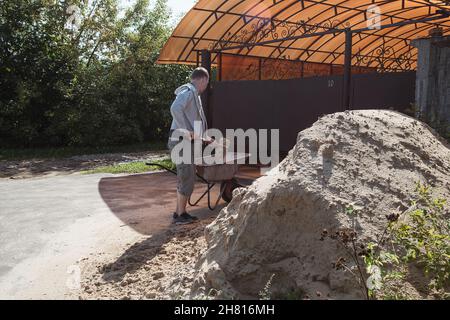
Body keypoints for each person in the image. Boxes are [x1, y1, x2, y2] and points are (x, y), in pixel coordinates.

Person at [168, 67, 211, 224]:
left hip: (185, 141)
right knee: (186, 176)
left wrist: (203, 137)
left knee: (187, 176)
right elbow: (175, 108)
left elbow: (193, 120)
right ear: (203, 79)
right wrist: (186, 131)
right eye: (207, 82)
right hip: (180, 141)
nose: (206, 86)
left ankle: (180, 212)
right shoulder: (188, 91)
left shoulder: (194, 94)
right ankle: (180, 215)